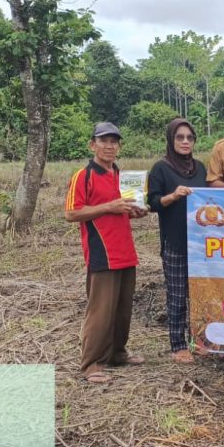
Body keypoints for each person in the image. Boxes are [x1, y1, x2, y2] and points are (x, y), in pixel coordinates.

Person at [64, 121, 149, 384]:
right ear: (93, 145)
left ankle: (117, 353)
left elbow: (120, 211)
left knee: (123, 308)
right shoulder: (84, 176)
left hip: (125, 250)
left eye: (114, 141)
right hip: (102, 252)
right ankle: (92, 363)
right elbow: (71, 213)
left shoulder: (119, 175)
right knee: (101, 310)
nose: (109, 146)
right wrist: (109, 206)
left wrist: (136, 211)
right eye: (104, 141)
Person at [147, 118, 208, 364]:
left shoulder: (200, 168)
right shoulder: (161, 168)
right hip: (175, 241)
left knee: (199, 295)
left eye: (189, 138)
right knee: (177, 295)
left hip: (200, 243)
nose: (185, 142)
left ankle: (198, 341)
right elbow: (151, 204)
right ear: (171, 140)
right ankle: (178, 345)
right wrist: (172, 196)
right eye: (180, 137)